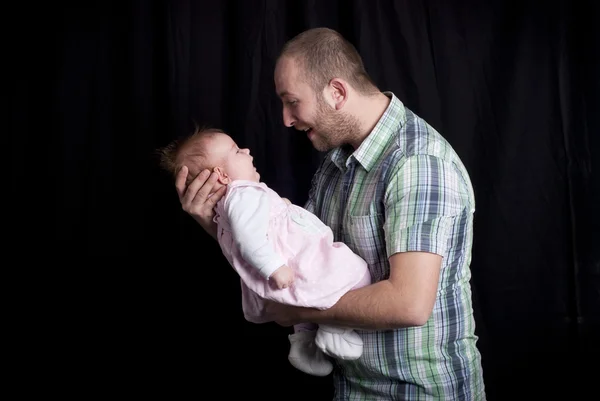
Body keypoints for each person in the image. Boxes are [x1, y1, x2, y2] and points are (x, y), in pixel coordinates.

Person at [174, 27, 486, 400]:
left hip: (418, 391)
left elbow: (408, 304)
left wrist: (295, 308)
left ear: (336, 92)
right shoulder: (338, 160)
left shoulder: (418, 163)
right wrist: (216, 223)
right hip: (351, 386)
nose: (286, 119)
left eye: (292, 102)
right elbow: (287, 252)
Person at [157, 127, 372, 377]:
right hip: (291, 263)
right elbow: (249, 238)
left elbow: (249, 231)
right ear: (222, 175)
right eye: (237, 151)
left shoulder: (233, 204)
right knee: (354, 272)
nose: (247, 150)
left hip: (286, 264)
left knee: (304, 295)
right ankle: (335, 328)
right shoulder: (243, 195)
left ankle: (304, 342)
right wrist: (273, 267)